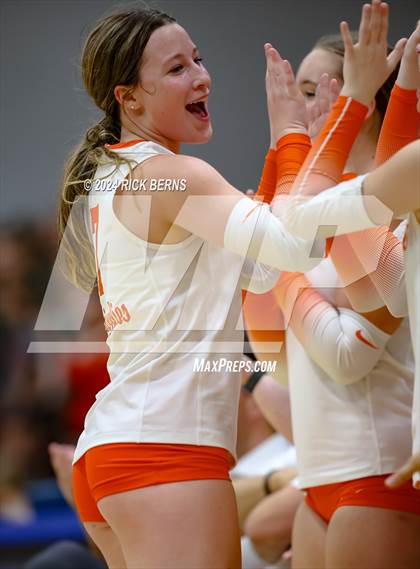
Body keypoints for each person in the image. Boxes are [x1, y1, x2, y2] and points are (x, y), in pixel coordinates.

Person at [58, 5, 336, 568]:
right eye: (177, 68)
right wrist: (292, 133)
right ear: (128, 98)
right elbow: (296, 245)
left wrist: (284, 151)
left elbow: (261, 267)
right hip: (164, 452)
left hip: (121, 450)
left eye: (198, 59)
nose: (202, 76)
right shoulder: (173, 176)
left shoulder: (120, 172)